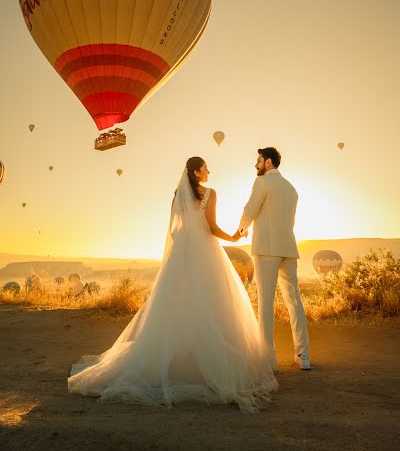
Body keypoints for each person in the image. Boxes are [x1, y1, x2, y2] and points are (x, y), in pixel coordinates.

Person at [68, 157, 278, 412]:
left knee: (175, 303)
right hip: (205, 253)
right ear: (197, 172)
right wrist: (233, 237)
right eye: (205, 168)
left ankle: (177, 358)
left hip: (182, 253)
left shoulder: (179, 194)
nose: (208, 171)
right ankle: (202, 363)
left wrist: (185, 244)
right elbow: (211, 227)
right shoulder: (210, 193)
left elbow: (175, 230)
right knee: (212, 302)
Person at [238, 148, 310, 370]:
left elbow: (251, 209)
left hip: (266, 250)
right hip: (288, 249)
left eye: (258, 161)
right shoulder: (291, 189)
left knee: (266, 303)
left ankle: (269, 360)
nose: (256, 165)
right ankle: (304, 356)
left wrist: (241, 229)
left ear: (268, 163)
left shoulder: (262, 183)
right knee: (294, 302)